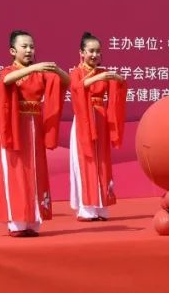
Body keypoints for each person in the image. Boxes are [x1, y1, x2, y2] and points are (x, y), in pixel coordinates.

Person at [0, 29, 70, 237]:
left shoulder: (40, 74)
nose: (29, 50)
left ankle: (33, 220)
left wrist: (56, 70)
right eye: (24, 46)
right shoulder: (8, 71)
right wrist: (35, 67)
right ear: (12, 51)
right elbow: (6, 81)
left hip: (34, 128)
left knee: (35, 171)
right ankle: (17, 223)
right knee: (16, 172)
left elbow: (67, 82)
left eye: (32, 47)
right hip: (14, 128)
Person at [69, 31, 126, 222]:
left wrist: (119, 81)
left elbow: (118, 88)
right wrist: (97, 78)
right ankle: (86, 208)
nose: (94, 55)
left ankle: (101, 206)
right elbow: (77, 87)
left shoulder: (103, 73)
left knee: (102, 161)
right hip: (84, 121)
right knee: (86, 161)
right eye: (90, 51)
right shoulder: (76, 73)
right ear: (81, 53)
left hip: (100, 119)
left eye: (98, 51)